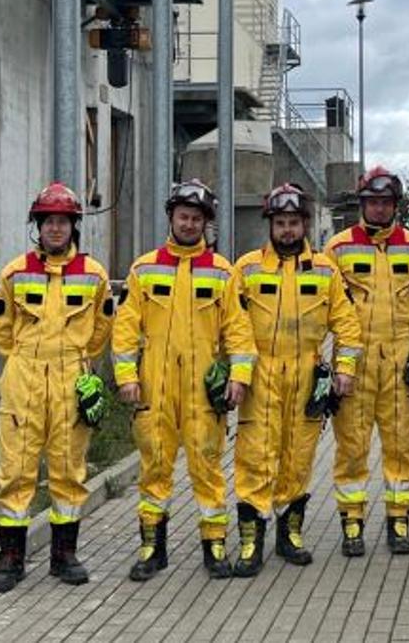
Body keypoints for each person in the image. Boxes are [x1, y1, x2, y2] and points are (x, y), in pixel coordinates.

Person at [113, 179, 259, 580]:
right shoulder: (143, 269)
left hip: (202, 391)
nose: (190, 224)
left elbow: (239, 332)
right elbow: (125, 330)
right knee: (154, 467)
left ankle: (214, 548)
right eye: (184, 216)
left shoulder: (223, 273)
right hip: (153, 388)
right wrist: (126, 376)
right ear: (171, 218)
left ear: (206, 223)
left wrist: (240, 377)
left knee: (207, 467)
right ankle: (151, 549)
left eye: (197, 218)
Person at [227, 183, 364, 576]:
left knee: (298, 456)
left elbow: (348, 326)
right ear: (270, 224)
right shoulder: (247, 268)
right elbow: (234, 327)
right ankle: (252, 542)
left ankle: (290, 536)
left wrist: (344, 371)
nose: (287, 230)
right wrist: (238, 374)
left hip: (307, 373)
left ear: (305, 224)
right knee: (254, 456)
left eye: (294, 223)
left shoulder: (324, 270)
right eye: (281, 223)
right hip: (261, 374)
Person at [0, 182, 114, 593]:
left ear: (74, 226)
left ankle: (64, 555)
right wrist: (26, 360)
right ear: (37, 226)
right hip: (24, 374)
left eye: (62, 222)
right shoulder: (14, 272)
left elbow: (101, 331)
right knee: (16, 470)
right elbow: (0, 329)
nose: (55, 229)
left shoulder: (94, 276)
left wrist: (76, 362)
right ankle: (11, 558)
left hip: (70, 376)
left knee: (68, 468)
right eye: (48, 222)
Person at [325, 166, 409, 556]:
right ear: (362, 204)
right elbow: (328, 305)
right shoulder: (336, 248)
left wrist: (404, 336)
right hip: (353, 362)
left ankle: (398, 520)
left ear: (395, 205)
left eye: (386, 203)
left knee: (401, 444)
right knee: (351, 445)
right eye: (373, 202)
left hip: (400, 362)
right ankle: (352, 522)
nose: (380, 209)